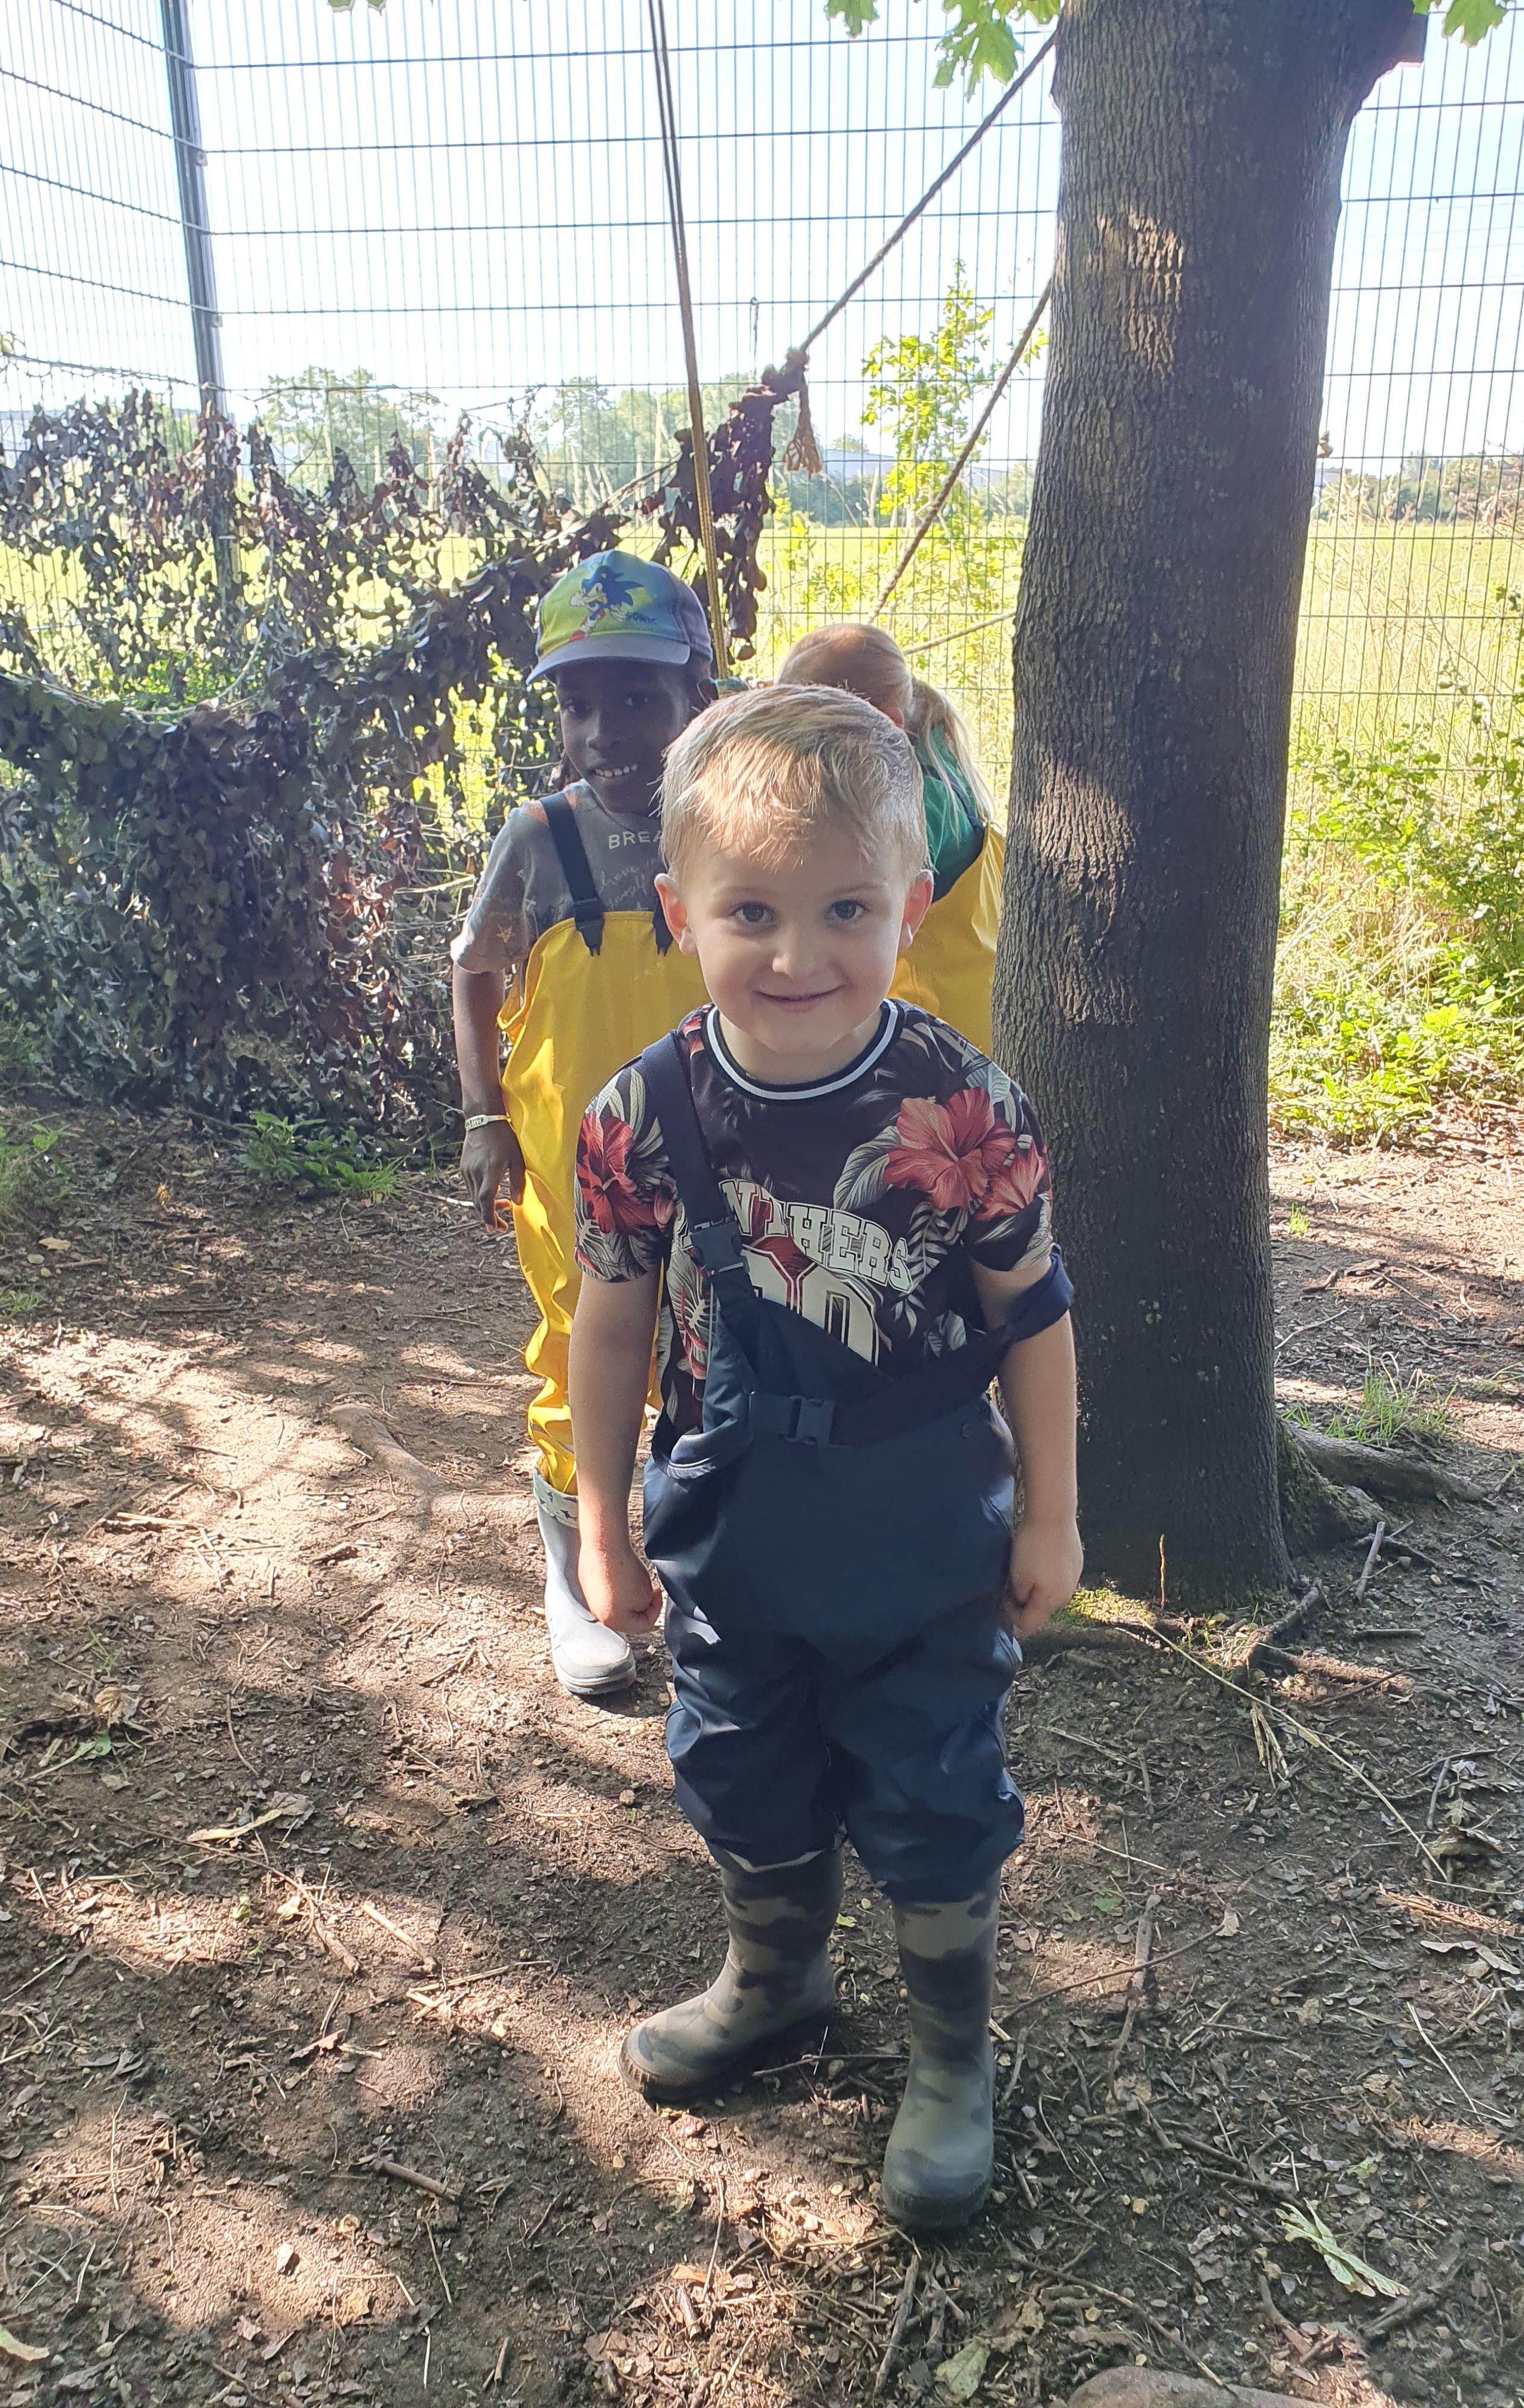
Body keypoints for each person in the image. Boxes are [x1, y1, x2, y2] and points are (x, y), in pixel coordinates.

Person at [568, 684, 1081, 2231]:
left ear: (912, 906)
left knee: (935, 1788)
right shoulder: (642, 1114)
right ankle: (775, 1980)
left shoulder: (963, 1104)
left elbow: (1036, 1314)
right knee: (739, 1763)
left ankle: (950, 2057)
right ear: (681, 914)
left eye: (846, 908)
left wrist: (1055, 1516)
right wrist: (600, 1523)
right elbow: (609, 1325)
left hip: (924, 1531)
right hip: (736, 1531)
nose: (799, 955)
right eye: (753, 913)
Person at [451, 552, 717, 1701]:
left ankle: (707, 1569)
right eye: (578, 703)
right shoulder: (538, 838)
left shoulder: (730, 825)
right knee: (579, 1347)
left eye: (637, 697)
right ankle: (575, 1570)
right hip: (575, 1161)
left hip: (721, 1149)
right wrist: (483, 1116)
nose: (606, 730)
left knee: (716, 1348)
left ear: (697, 692)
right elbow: (474, 971)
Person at [775, 622, 1001, 1054]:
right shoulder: (934, 765)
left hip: (928, 1025)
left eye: (814, 739)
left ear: (885, 726)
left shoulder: (913, 805)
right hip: (960, 999)